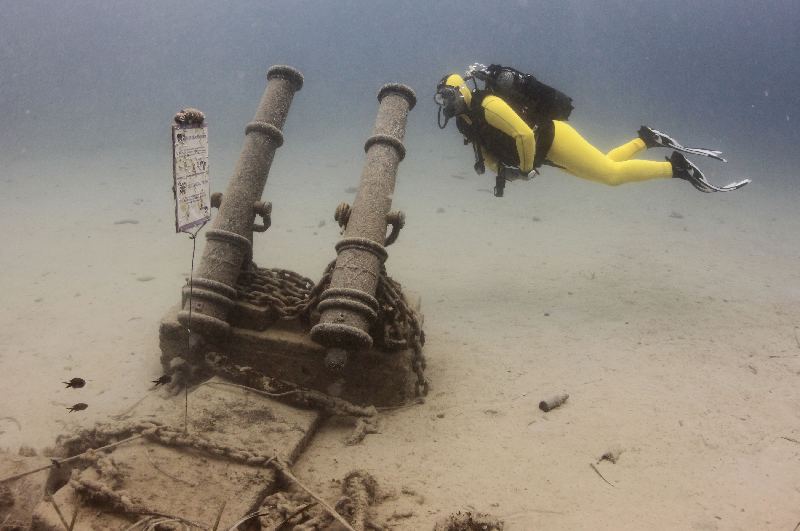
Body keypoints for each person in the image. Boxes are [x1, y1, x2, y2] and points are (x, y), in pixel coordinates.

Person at [434, 64, 750, 197]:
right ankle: (647, 139)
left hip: (552, 138)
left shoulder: (486, 104)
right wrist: (504, 171)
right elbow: (486, 151)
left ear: (462, 90)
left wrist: (526, 169)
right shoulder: (466, 121)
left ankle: (676, 168)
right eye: (442, 100)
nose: (446, 104)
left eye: (449, 96)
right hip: (546, 153)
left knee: (610, 176)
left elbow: (523, 136)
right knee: (604, 166)